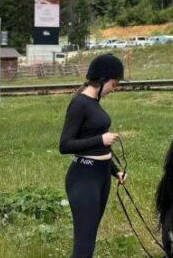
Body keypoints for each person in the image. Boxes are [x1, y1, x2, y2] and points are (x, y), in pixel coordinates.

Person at [59, 53, 127, 258]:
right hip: (84, 177)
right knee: (84, 245)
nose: (114, 89)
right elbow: (65, 145)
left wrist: (115, 171)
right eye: (114, 84)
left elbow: (98, 146)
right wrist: (101, 139)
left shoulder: (94, 103)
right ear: (103, 79)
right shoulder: (79, 103)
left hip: (101, 175)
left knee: (90, 237)